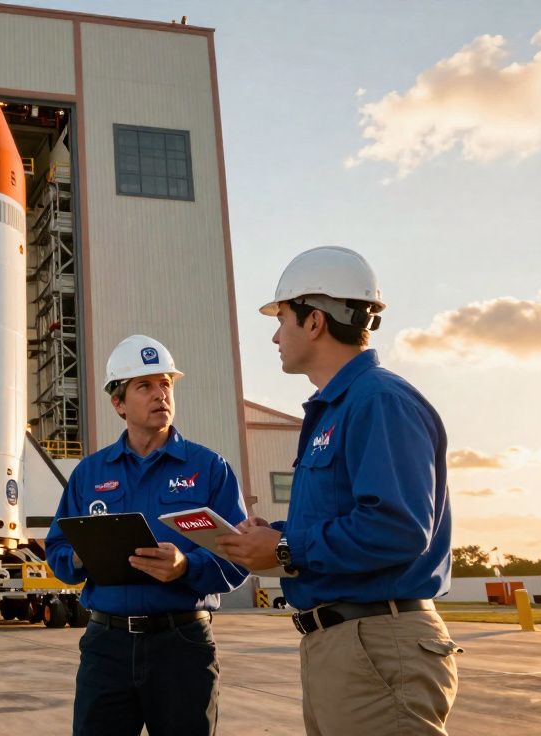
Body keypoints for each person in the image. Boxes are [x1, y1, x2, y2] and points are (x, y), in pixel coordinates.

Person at [216, 246, 461, 735]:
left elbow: (397, 528)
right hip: (345, 645)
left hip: (378, 642)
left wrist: (285, 547)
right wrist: (275, 537)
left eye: (282, 317)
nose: (274, 334)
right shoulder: (338, 408)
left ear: (314, 322)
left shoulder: (379, 401)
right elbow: (350, 518)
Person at [46, 334, 249, 736]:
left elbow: (239, 555)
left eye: (165, 384)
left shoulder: (209, 468)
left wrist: (186, 567)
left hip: (182, 645)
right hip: (106, 646)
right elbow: (57, 550)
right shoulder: (90, 474)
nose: (161, 395)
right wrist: (82, 555)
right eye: (145, 386)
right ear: (118, 403)